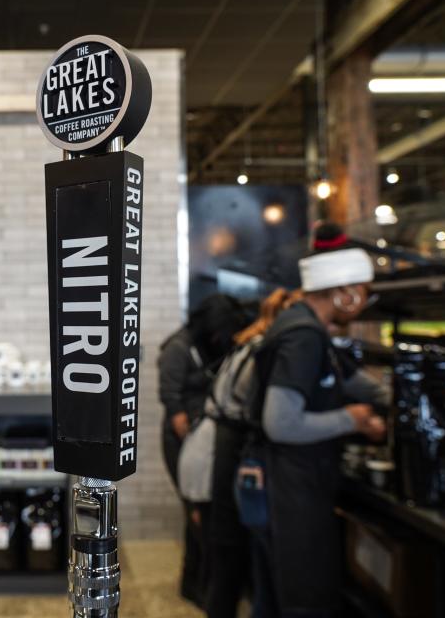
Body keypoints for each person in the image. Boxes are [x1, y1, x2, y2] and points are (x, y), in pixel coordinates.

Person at [253, 247, 386, 617]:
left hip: (299, 481)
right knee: (306, 598)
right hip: (294, 485)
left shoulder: (307, 328)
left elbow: (351, 381)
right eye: (363, 291)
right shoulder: (303, 337)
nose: (364, 302)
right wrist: (352, 419)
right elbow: (280, 423)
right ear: (344, 292)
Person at [204, 288, 301, 618]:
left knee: (227, 547)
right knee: (237, 548)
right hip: (236, 447)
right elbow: (272, 416)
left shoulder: (247, 342)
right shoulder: (263, 348)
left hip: (225, 442)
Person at [158, 294, 252, 606]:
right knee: (197, 513)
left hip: (200, 440)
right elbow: (174, 406)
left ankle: (196, 583)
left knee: (198, 514)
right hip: (182, 441)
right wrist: (195, 449)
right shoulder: (178, 347)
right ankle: (201, 587)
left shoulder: (204, 345)